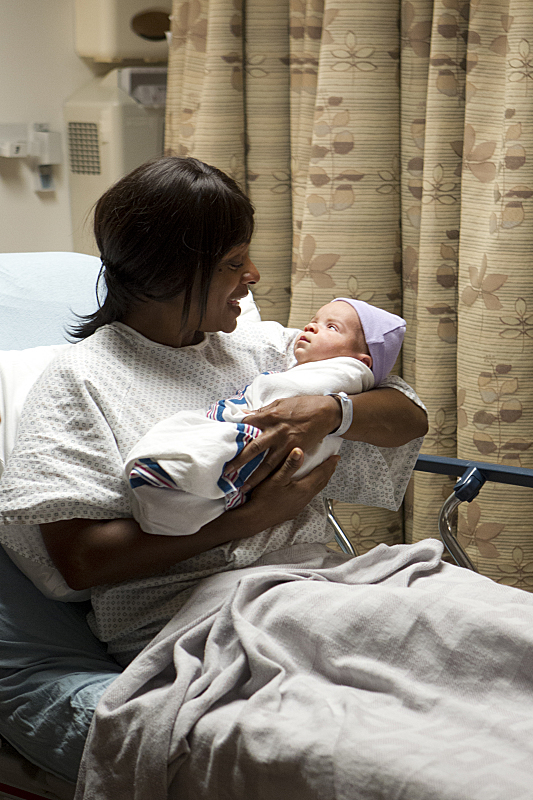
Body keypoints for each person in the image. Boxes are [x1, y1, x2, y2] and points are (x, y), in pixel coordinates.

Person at [0, 156, 427, 785]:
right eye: (232, 263)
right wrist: (254, 517)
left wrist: (329, 409)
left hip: (316, 587)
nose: (252, 276)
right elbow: (81, 559)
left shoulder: (260, 353)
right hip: (194, 624)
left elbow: (406, 416)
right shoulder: (81, 380)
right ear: (170, 273)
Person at [125, 298, 406, 536]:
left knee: (211, 448)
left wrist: (332, 411)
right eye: (315, 320)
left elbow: (412, 415)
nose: (311, 327)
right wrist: (258, 515)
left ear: (362, 360)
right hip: (237, 547)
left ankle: (171, 477)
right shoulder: (305, 357)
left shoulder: (346, 372)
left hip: (259, 438)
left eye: (331, 327)